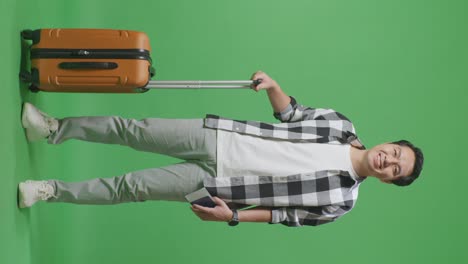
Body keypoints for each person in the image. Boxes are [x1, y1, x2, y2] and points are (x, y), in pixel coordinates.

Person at [18, 71, 424, 227]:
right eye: (395, 153)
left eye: (395, 170)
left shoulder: (341, 202)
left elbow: (283, 216)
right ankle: (51, 128)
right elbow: (293, 114)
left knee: (132, 188)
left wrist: (232, 217)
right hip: (218, 136)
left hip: (220, 186)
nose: (388, 161)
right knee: (134, 129)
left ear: (390, 181)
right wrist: (275, 87)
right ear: (389, 143)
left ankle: (49, 191)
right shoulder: (341, 125)